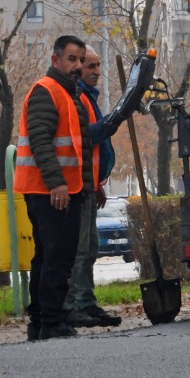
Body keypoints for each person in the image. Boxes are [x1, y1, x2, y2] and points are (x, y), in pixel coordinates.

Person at [17, 36, 98, 341]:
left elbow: (76, 148)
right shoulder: (48, 91)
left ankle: (40, 321)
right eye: (72, 59)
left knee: (47, 257)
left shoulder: (67, 93)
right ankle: (51, 321)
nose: (78, 66)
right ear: (55, 61)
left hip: (58, 189)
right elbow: (40, 141)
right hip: (52, 191)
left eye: (80, 60)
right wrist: (58, 184)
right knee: (58, 257)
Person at [63, 49, 123, 329]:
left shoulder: (88, 97)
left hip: (88, 183)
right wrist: (112, 122)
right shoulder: (77, 98)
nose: (96, 70)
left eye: (99, 65)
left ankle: (86, 302)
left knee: (90, 248)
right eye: (91, 65)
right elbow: (85, 138)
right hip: (76, 185)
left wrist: (97, 182)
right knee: (80, 248)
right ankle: (74, 305)